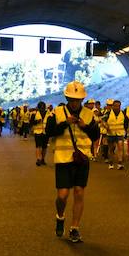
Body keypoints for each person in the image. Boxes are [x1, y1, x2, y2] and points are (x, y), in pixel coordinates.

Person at [47, 81, 101, 243]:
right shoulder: (56, 113)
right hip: (63, 159)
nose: (75, 102)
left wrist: (85, 127)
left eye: (77, 99)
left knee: (79, 192)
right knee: (62, 196)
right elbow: (49, 132)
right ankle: (60, 216)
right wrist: (65, 124)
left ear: (82, 100)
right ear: (66, 98)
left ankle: (75, 228)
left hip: (82, 159)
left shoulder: (89, 115)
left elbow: (95, 135)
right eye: (71, 99)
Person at [104, 99, 126, 170]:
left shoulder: (123, 113)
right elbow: (102, 121)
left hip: (120, 134)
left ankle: (120, 163)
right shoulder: (108, 114)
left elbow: (126, 123)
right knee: (111, 149)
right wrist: (106, 127)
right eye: (115, 106)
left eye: (118, 106)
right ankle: (111, 163)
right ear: (113, 106)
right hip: (111, 134)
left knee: (120, 147)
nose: (117, 107)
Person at [31, 101, 52, 166]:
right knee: (38, 146)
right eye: (41, 108)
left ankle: (43, 159)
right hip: (37, 132)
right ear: (38, 107)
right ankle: (38, 159)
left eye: (43, 108)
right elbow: (31, 122)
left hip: (45, 132)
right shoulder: (34, 114)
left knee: (44, 147)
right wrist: (37, 121)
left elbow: (50, 122)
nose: (42, 109)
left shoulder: (48, 113)